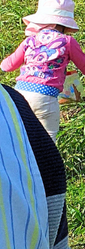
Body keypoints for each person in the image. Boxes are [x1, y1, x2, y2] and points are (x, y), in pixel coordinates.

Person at [1, 0, 85, 140]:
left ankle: (25, 159)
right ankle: (46, 161)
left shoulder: (30, 41)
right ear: (65, 25)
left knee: (23, 133)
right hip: (45, 96)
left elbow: (9, 65)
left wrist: (3, 65)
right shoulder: (67, 41)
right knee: (48, 135)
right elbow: (83, 62)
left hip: (20, 93)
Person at [1, 83, 69, 248]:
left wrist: (6, 66)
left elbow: (12, 61)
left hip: (25, 91)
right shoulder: (8, 102)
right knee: (49, 134)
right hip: (38, 102)